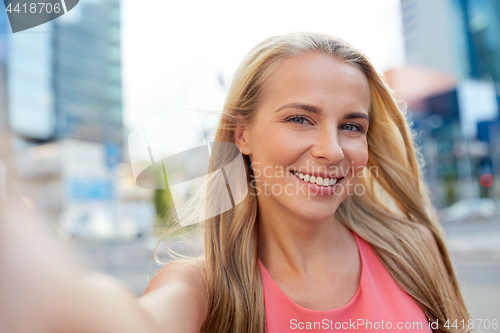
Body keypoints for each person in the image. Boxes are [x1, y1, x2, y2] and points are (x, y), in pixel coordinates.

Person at [0, 31, 470, 333]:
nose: (332, 149)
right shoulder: (204, 287)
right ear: (242, 133)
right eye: (300, 119)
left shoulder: (410, 249)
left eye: (351, 126)